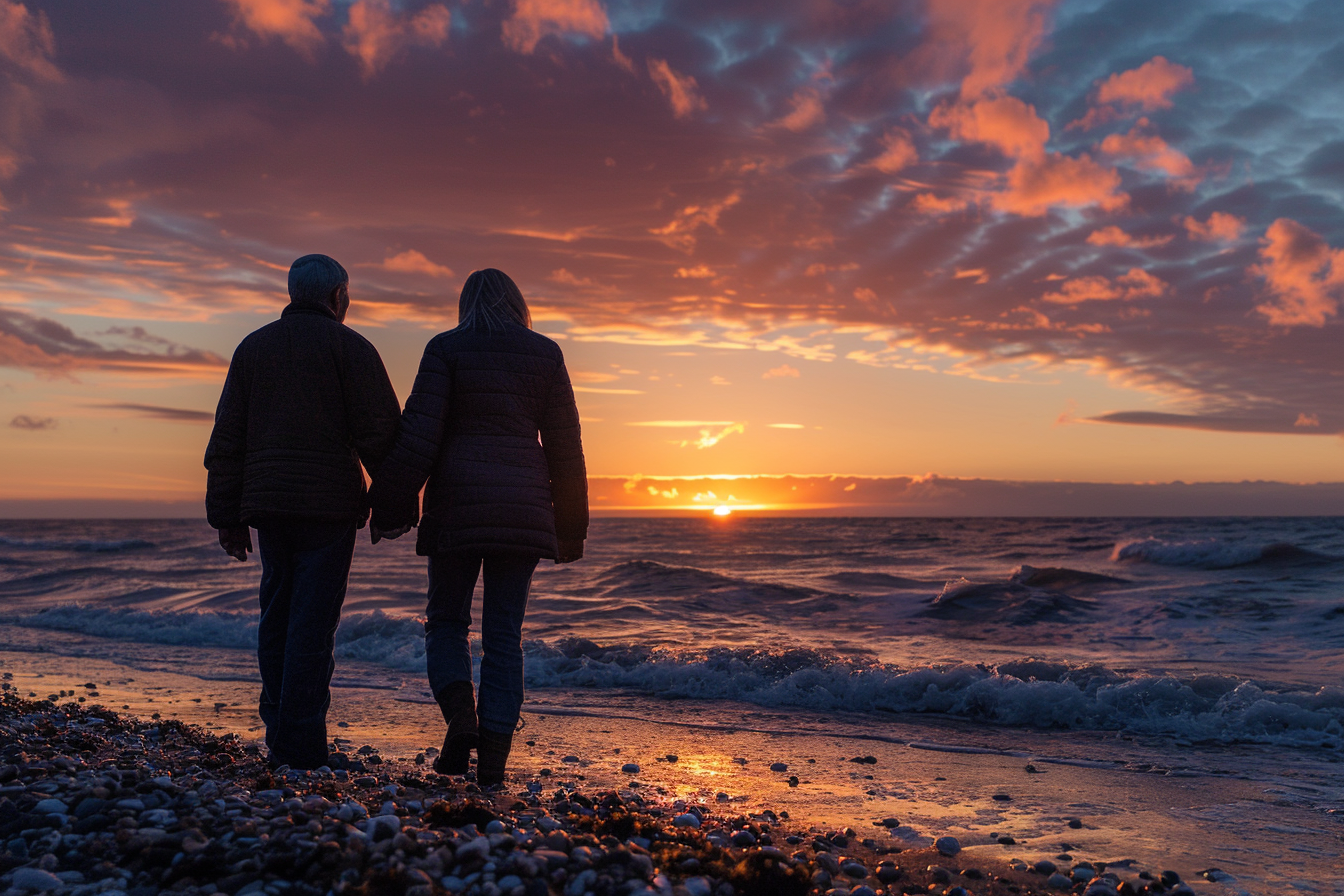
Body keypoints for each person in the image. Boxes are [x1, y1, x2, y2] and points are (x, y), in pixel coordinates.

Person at [369, 268, 587, 786]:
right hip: (524, 508)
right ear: (519, 304)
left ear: (465, 303)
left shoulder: (446, 347)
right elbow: (564, 446)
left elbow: (420, 434)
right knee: (504, 637)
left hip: (458, 505)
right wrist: (571, 526)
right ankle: (491, 767)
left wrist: (392, 503)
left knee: (446, 621)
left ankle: (460, 721)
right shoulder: (546, 353)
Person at [204, 254, 405, 770]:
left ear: (295, 294)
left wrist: (226, 515)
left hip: (268, 504)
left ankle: (281, 730)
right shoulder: (352, 348)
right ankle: (301, 744)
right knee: (312, 624)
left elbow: (227, 436)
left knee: (277, 615)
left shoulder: (254, 347)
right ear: (338, 297)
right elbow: (382, 436)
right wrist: (392, 505)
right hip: (328, 507)